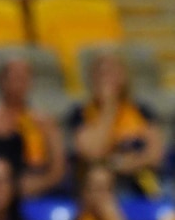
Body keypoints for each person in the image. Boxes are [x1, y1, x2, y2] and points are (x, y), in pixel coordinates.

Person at [68, 51, 165, 197]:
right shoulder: (81, 113)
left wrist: (130, 164)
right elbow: (92, 152)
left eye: (112, 72)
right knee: (99, 177)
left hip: (140, 178)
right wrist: (109, 108)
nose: (106, 79)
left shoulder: (140, 111)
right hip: (100, 186)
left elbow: (155, 154)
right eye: (101, 73)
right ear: (91, 79)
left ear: (124, 76)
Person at [0, 57, 67, 197]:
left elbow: (58, 169)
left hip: (35, 189)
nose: (19, 82)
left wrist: (38, 184)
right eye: (14, 76)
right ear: (1, 80)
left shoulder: (45, 122)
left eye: (24, 77)